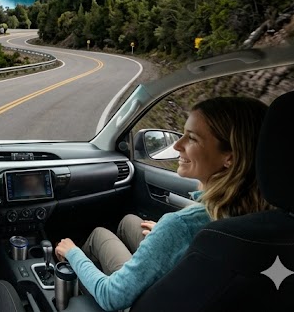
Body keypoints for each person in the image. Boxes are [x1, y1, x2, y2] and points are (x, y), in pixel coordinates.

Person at [54, 96, 270, 311]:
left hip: (147, 303)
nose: (177, 145)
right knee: (130, 222)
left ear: (229, 158)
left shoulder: (181, 226)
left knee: (99, 235)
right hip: (195, 294)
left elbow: (111, 296)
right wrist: (165, 238)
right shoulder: (267, 217)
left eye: (192, 138)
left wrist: (72, 253)